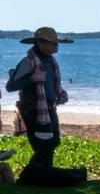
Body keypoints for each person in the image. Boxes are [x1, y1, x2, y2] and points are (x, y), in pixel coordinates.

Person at [8, 28, 81, 185]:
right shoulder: (28, 61)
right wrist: (32, 79)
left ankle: (41, 178)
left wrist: (59, 95)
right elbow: (10, 86)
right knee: (44, 145)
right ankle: (30, 176)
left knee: (52, 142)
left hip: (49, 108)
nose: (56, 46)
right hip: (33, 110)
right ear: (41, 43)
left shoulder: (49, 60)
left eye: (56, 43)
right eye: (52, 43)